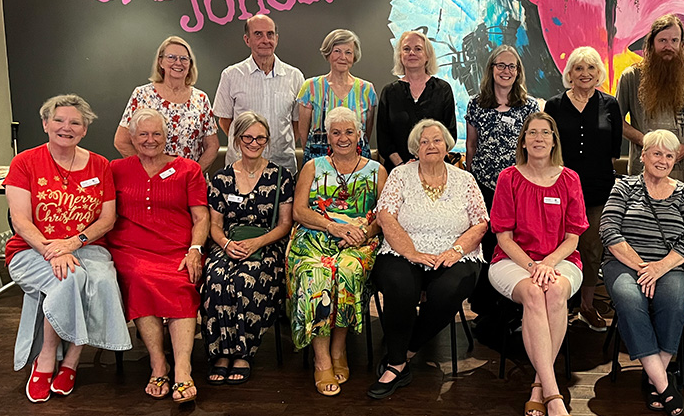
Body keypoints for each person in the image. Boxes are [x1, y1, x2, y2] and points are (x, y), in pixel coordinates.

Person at [3, 94, 131, 403]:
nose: (66, 127)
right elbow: (20, 220)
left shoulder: (100, 165)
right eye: (59, 120)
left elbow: (107, 218)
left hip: (86, 247)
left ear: (84, 129)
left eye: (75, 122)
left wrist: (73, 243)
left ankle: (72, 361)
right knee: (69, 278)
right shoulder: (25, 162)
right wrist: (53, 250)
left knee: (99, 280)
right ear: (45, 124)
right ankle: (46, 357)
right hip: (32, 249)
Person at [371, 119, 488, 399]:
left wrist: (455, 251)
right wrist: (410, 252)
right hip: (403, 251)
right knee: (400, 286)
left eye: (437, 140)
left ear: (447, 145)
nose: (431, 146)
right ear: (416, 148)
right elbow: (384, 216)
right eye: (424, 141)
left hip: (454, 253)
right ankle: (396, 362)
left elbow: (481, 223)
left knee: (447, 291)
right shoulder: (400, 175)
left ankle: (408, 348)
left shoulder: (465, 179)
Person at [489, 112, 588, 416]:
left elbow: (573, 237)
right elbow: (503, 236)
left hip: (561, 259)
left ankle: (538, 385)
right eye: (532, 133)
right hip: (513, 260)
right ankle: (553, 394)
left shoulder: (570, 179)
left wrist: (548, 264)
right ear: (524, 141)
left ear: (554, 140)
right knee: (534, 293)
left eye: (546, 132)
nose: (539, 138)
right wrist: (533, 267)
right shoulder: (508, 178)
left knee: (555, 291)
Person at [108, 109, 210, 404]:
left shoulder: (188, 169)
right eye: (143, 134)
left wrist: (195, 250)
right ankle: (158, 363)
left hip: (178, 248)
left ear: (168, 137)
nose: (150, 140)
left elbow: (201, 217)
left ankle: (182, 367)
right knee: (139, 278)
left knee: (181, 281)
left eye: (157, 134)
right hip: (130, 249)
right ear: (132, 137)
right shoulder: (116, 169)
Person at [286, 107, 385, 397]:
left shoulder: (376, 170)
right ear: (327, 136)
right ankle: (322, 359)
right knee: (316, 275)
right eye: (336, 132)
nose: (343, 138)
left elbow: (385, 214)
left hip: (358, 240)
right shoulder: (313, 167)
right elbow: (299, 211)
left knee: (347, 271)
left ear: (360, 135)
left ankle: (339, 348)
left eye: (349, 131)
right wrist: (332, 227)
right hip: (314, 238)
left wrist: (362, 233)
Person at [600, 130, 684, 416]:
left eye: (669, 155)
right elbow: (608, 229)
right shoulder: (624, 186)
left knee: (676, 295)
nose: (663, 160)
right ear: (642, 156)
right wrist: (643, 267)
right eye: (656, 153)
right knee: (630, 298)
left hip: (668, 265)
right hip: (624, 263)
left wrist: (660, 267)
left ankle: (655, 376)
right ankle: (664, 384)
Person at [203, 111, 294, 385]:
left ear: (267, 141)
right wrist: (227, 244)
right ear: (237, 139)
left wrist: (257, 242)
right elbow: (214, 225)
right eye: (248, 137)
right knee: (216, 277)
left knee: (246, 279)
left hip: (267, 244)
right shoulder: (221, 179)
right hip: (229, 242)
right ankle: (220, 352)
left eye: (260, 138)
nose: (254, 143)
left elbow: (284, 225)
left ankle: (243, 352)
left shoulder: (281, 177)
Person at [544, 46, 622, 332]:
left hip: (598, 188)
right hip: (558, 188)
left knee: (591, 247)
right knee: (554, 245)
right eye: (579, 68)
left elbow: (614, 150)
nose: (585, 74)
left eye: (591, 68)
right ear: (570, 73)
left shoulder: (610, 104)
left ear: (598, 72)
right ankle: (558, 304)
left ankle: (587, 306)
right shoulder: (554, 105)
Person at [464, 45, 539, 315]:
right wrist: (471, 181)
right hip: (484, 184)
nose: (506, 71)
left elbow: (533, 145)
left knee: (514, 241)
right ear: (491, 69)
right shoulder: (476, 103)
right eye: (501, 65)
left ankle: (511, 301)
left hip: (517, 187)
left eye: (512, 66)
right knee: (486, 241)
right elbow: (471, 146)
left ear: (518, 72)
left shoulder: (529, 105)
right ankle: (484, 302)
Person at [616, 14, 684, 182]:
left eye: (674, 41)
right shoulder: (631, 76)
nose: (668, 46)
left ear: (681, 44)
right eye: (662, 40)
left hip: (680, 169)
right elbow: (616, 120)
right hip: (641, 167)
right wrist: (649, 142)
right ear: (651, 43)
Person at [213, 14, 305, 175]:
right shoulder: (231, 75)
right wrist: (249, 145)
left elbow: (298, 123)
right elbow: (225, 121)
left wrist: (279, 144)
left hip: (282, 166)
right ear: (247, 40)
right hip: (241, 166)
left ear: (276, 38)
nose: (265, 40)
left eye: (270, 34)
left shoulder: (294, 76)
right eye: (258, 34)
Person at [114, 36, 220, 172]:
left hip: (188, 184)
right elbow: (121, 141)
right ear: (160, 62)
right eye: (171, 57)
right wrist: (146, 170)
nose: (178, 63)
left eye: (184, 59)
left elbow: (212, 146)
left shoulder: (200, 99)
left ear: (190, 64)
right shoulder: (142, 95)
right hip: (151, 181)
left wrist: (193, 173)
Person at [376, 30, 457, 173]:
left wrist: (426, 165)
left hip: (436, 171)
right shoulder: (389, 92)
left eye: (418, 49)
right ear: (400, 56)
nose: (411, 53)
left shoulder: (443, 89)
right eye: (406, 49)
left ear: (427, 55)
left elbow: (449, 135)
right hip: (398, 171)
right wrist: (403, 167)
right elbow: (384, 139)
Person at [297, 29, 378, 162]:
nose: (343, 57)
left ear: (354, 56)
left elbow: (366, 132)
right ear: (328, 54)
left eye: (348, 52)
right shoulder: (311, 86)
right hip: (319, 158)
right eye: (337, 51)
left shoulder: (366, 89)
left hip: (357, 159)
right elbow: (303, 133)